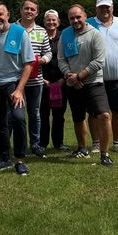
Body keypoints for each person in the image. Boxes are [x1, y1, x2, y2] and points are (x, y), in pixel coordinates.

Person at [58, 4, 114, 167]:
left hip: (93, 83)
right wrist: (70, 76)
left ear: (85, 16)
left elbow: (99, 61)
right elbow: (61, 59)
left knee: (104, 115)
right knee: (78, 117)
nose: (75, 21)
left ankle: (104, 154)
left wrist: (79, 76)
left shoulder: (95, 34)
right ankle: (82, 148)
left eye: (78, 17)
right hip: (73, 84)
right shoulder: (65, 35)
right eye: (72, 18)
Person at [0, 1, 35, 176]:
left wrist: (19, 90)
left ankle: (19, 160)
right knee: (0, 123)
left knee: (19, 118)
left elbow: (29, 63)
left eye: (0, 14)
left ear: (8, 15)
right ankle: (4, 157)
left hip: (13, 84)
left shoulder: (19, 33)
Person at [88, 0, 118, 154]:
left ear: (112, 7)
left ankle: (116, 143)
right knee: (95, 113)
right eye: (101, 7)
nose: (105, 9)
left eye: (107, 7)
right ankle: (96, 143)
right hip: (96, 79)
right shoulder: (88, 23)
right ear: (96, 9)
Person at [16, 0, 52, 157]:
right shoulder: (13, 29)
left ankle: (35, 144)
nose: (29, 11)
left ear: (37, 13)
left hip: (36, 80)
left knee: (34, 114)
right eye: (26, 8)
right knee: (16, 115)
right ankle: (19, 145)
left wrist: (44, 59)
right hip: (16, 79)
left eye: (32, 9)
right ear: (21, 10)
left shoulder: (42, 31)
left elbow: (48, 52)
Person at [39, 9, 70, 152]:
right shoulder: (39, 37)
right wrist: (41, 79)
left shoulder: (65, 37)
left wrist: (63, 79)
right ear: (44, 22)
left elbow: (70, 59)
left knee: (59, 115)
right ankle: (42, 144)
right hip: (42, 82)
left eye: (53, 20)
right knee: (43, 114)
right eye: (48, 20)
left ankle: (58, 143)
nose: (51, 22)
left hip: (61, 82)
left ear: (58, 22)